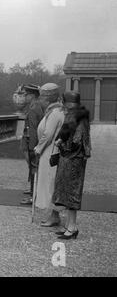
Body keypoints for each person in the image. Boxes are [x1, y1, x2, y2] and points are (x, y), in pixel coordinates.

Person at [52, 91, 91, 240]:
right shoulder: (76, 116)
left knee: (72, 193)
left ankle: (72, 227)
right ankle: (70, 226)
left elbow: (77, 141)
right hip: (69, 159)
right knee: (68, 194)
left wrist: (61, 145)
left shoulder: (77, 118)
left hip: (73, 160)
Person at [33, 83, 65, 227]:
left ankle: (54, 216)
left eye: (42, 97)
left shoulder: (55, 113)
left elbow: (48, 134)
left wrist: (38, 149)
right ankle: (53, 214)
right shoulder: (54, 111)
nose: (40, 100)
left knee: (50, 183)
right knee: (50, 182)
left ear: (47, 99)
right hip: (51, 150)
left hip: (50, 151)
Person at [20, 84, 44, 205]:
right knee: (32, 167)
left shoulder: (35, 108)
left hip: (31, 142)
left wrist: (32, 147)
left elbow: (34, 129)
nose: (24, 97)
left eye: (26, 94)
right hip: (28, 140)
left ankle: (33, 196)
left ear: (32, 95)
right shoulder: (34, 106)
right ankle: (32, 190)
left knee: (33, 167)